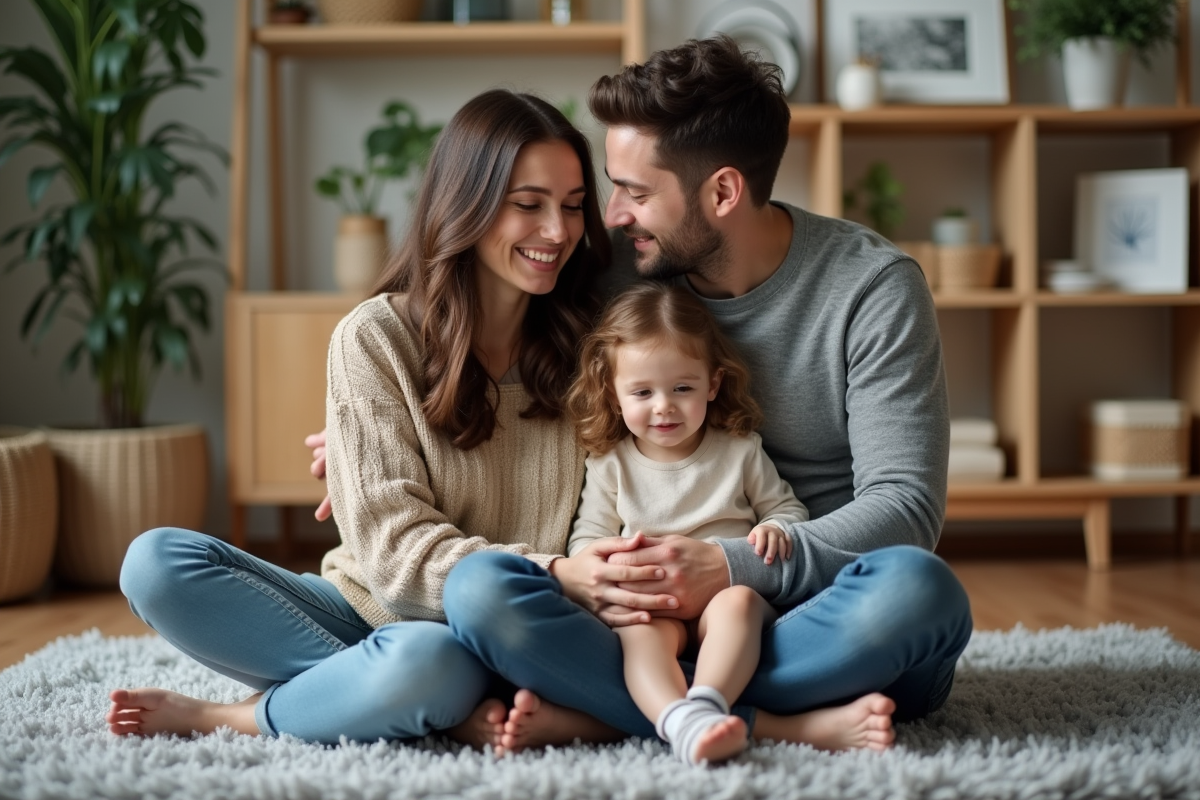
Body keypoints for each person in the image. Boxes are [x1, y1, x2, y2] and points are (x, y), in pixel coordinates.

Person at [437, 35, 974, 753]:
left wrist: (727, 568)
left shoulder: (870, 288)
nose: (613, 214)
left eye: (635, 191)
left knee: (920, 593)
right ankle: (742, 715)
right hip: (643, 625)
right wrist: (376, 433)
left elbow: (906, 508)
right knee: (481, 593)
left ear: (722, 192)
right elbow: (491, 345)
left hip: (817, 623)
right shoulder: (618, 282)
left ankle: (624, 707)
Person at [106, 89, 637, 751]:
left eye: (574, 206)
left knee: (429, 664)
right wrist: (554, 570)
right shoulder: (377, 336)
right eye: (528, 205)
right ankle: (411, 696)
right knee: (154, 563)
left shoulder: (593, 345)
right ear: (464, 203)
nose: (558, 232)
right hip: (362, 609)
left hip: (501, 634)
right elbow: (394, 560)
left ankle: (236, 716)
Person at [566, 281, 839, 764]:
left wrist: (777, 528)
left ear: (713, 384)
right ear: (613, 394)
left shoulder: (739, 450)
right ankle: (678, 719)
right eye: (642, 392)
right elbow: (588, 535)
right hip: (653, 602)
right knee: (639, 633)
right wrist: (595, 567)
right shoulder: (610, 462)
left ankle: (709, 702)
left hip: (723, 597)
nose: (663, 406)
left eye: (683, 388)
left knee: (740, 604)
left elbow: (786, 508)